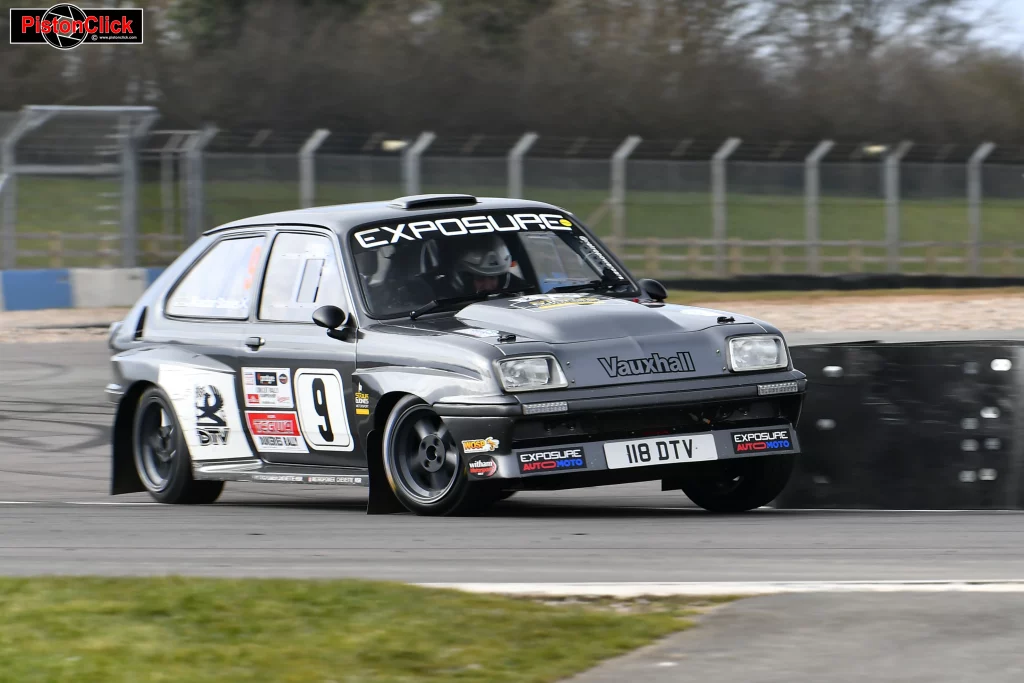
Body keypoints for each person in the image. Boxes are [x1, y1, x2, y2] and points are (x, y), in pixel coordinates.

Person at [448, 234, 514, 296]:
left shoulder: (517, 289)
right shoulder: (444, 297)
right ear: (464, 279)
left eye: (492, 277)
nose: (487, 286)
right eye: (480, 278)